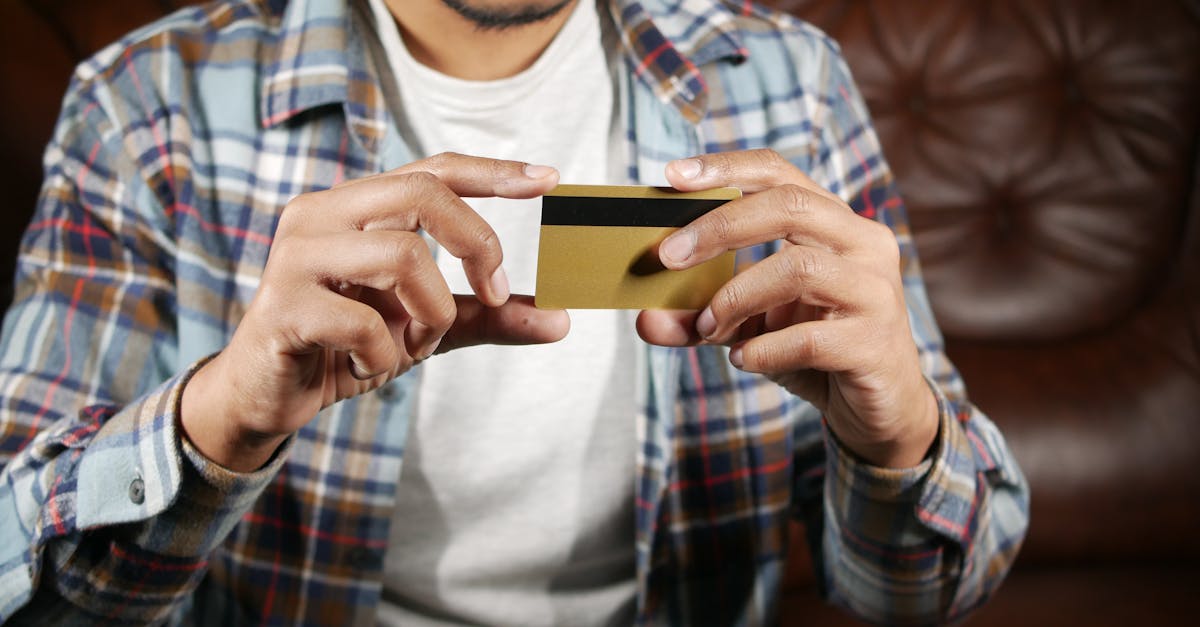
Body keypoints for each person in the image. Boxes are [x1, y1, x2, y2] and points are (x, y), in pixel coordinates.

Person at [0, 0, 1029, 624]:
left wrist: (900, 438)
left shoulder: (786, 83)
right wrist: (217, 422)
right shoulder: (146, 102)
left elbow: (930, 591)